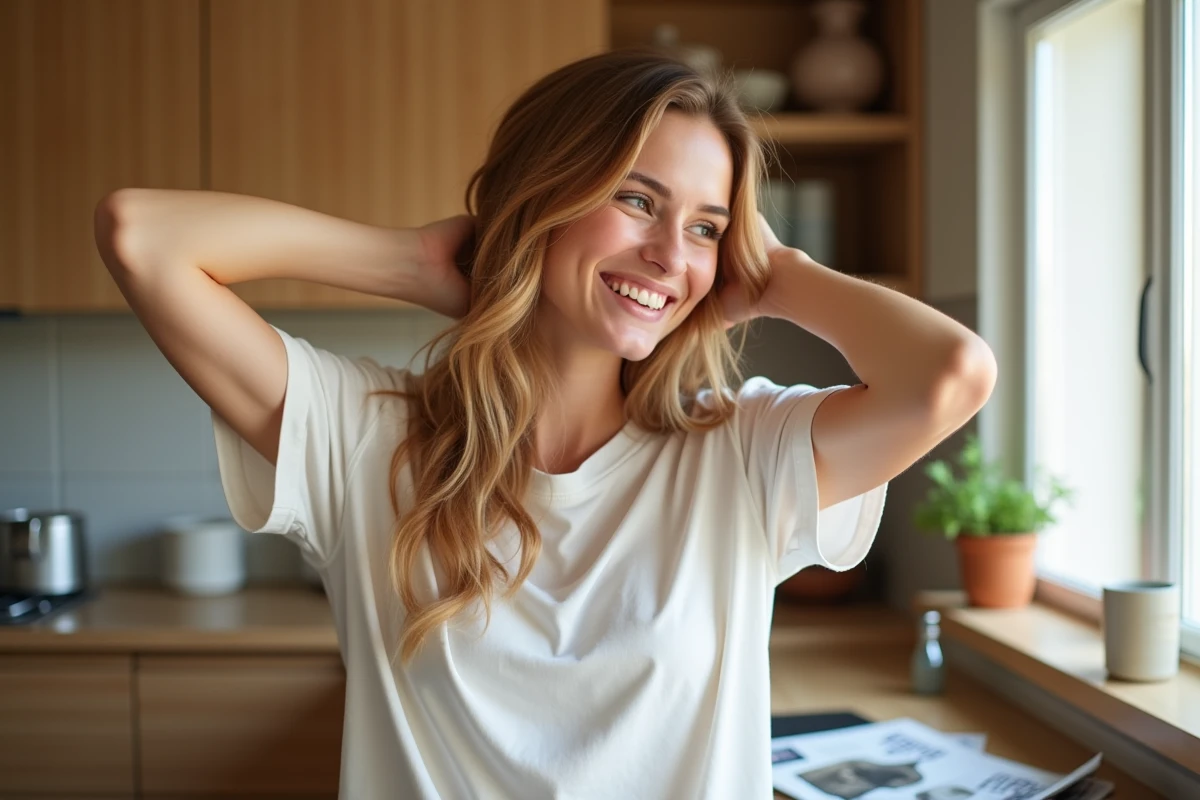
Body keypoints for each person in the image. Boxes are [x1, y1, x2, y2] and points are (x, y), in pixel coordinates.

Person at [93, 49, 995, 800]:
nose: (668, 254)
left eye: (706, 227)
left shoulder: (739, 453)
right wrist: (414, 261)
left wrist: (776, 272)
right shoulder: (368, 440)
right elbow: (141, 235)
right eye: (637, 200)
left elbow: (953, 374)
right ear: (546, 197)